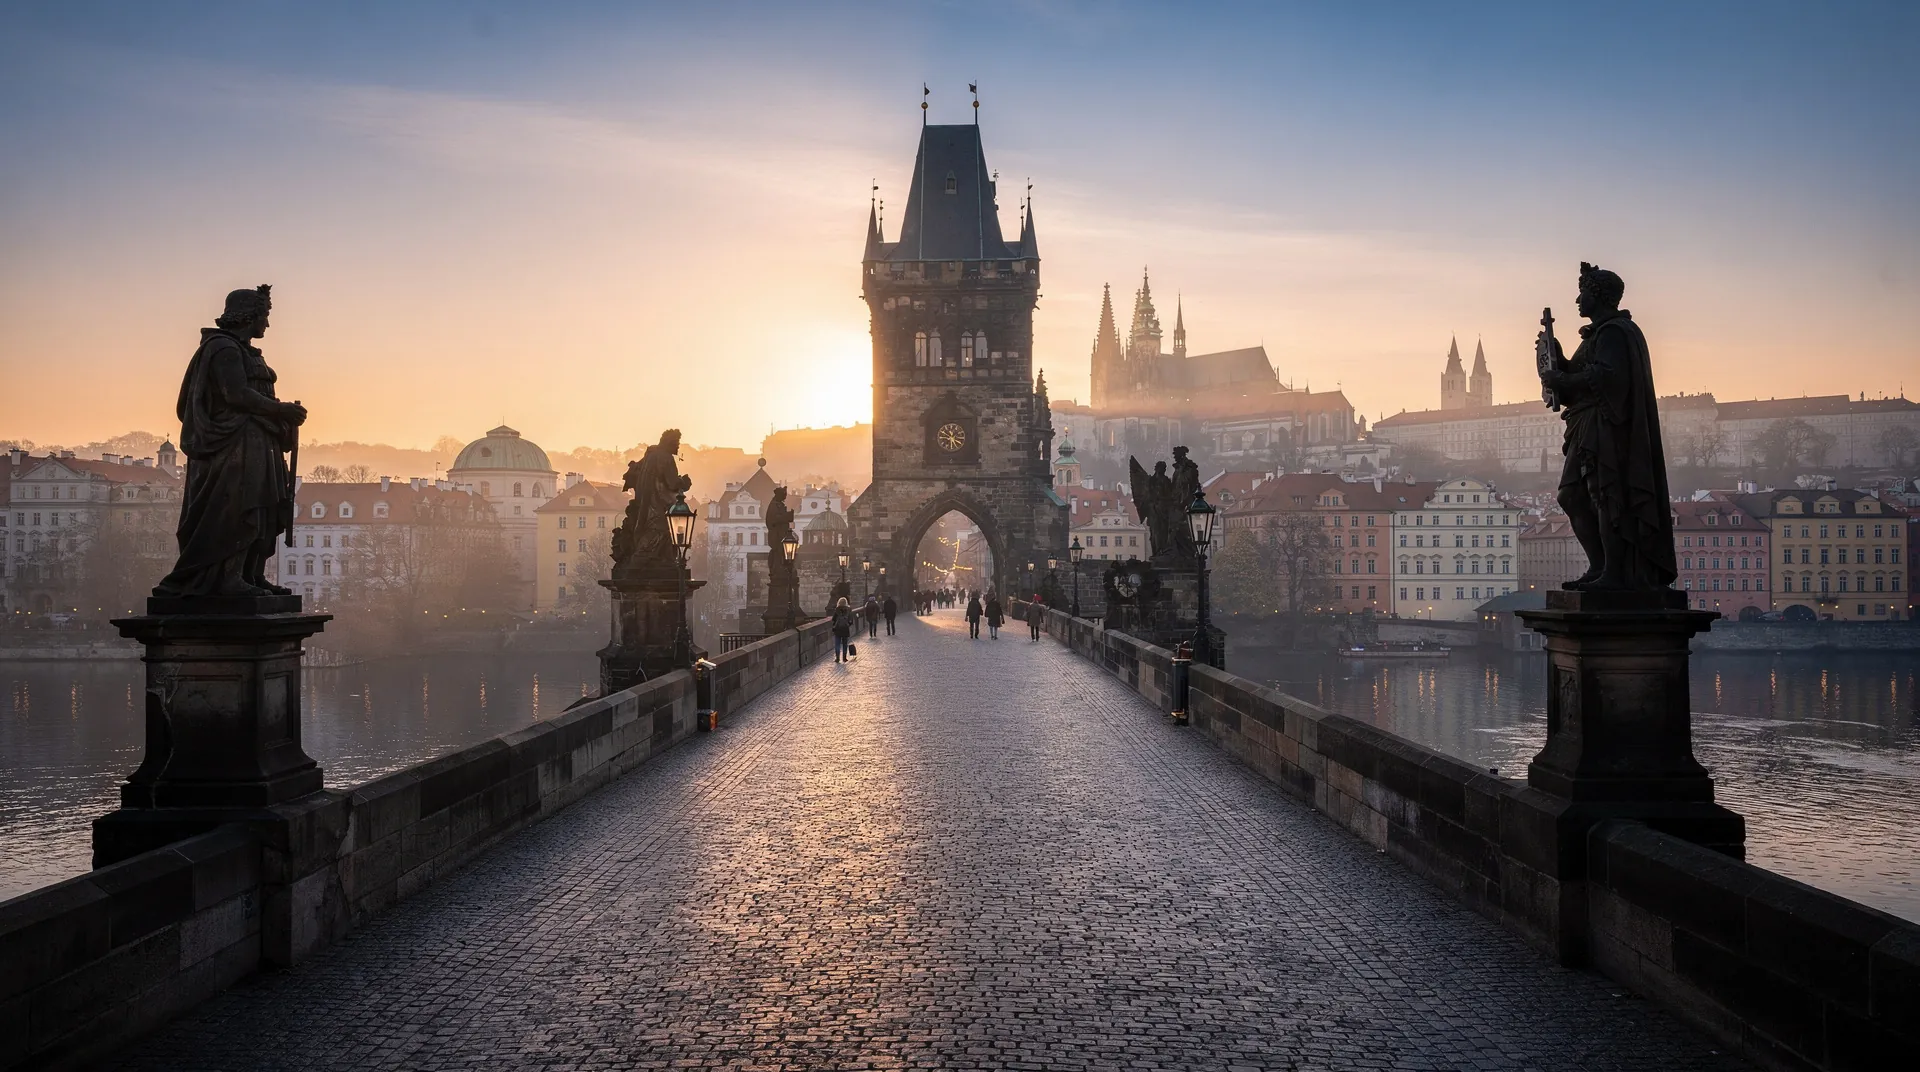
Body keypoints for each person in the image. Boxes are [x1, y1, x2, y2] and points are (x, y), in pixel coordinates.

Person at [154, 285, 306, 600]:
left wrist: (281, 422)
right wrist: (281, 410)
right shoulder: (222, 348)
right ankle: (228, 577)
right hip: (233, 445)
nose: (267, 324)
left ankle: (251, 574)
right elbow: (235, 394)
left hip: (258, 441)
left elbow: (254, 395)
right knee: (237, 507)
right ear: (247, 315)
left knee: (261, 507)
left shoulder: (244, 351)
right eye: (263, 316)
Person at [830, 596, 854, 662]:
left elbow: (833, 620)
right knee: (845, 644)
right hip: (845, 629)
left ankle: (837, 658)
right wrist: (848, 625)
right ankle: (844, 658)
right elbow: (851, 621)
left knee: (837, 644)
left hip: (837, 630)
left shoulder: (837, 610)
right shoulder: (849, 610)